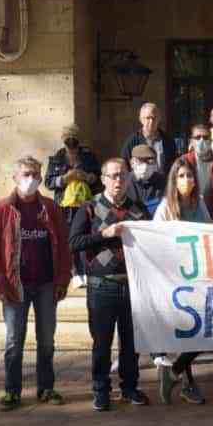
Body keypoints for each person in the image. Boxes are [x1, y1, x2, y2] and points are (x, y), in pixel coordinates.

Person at [0, 155, 72, 411]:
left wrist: (62, 280)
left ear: (41, 177)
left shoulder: (51, 209)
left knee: (46, 341)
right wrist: (0, 286)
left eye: (35, 174)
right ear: (15, 178)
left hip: (46, 284)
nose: (31, 180)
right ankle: (12, 391)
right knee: (14, 342)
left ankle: (46, 388)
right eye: (26, 175)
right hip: (15, 286)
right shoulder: (0, 210)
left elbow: (64, 248)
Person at [69, 158, 151, 411]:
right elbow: (74, 242)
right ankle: (101, 389)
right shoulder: (89, 207)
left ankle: (130, 387)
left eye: (122, 175)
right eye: (113, 176)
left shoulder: (138, 209)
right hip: (101, 285)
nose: (118, 180)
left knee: (131, 342)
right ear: (103, 179)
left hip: (132, 285)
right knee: (102, 342)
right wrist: (102, 235)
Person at [154, 157, 212, 405]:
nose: (186, 180)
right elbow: (154, 237)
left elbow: (210, 232)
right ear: (173, 180)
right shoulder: (166, 206)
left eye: (189, 176)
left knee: (205, 330)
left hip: (198, 277)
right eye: (181, 176)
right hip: (174, 278)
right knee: (188, 330)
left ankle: (175, 372)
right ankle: (186, 382)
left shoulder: (199, 204)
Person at [44, 124, 101, 224]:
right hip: (63, 207)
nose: (71, 147)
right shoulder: (56, 159)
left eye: (74, 142)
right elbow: (48, 183)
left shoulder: (89, 157)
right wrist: (64, 178)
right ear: (63, 140)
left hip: (85, 205)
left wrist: (88, 177)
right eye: (68, 142)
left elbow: (101, 179)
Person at [120, 102, 177, 176]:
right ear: (141, 119)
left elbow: (173, 165)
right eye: (148, 118)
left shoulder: (168, 141)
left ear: (159, 119)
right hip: (140, 185)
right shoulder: (132, 141)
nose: (151, 121)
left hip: (163, 184)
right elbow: (125, 165)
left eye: (154, 118)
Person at [124, 144, 166, 217]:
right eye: (140, 161)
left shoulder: (162, 181)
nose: (145, 166)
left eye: (150, 162)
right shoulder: (124, 182)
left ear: (155, 164)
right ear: (132, 163)